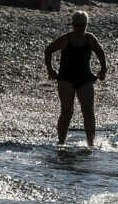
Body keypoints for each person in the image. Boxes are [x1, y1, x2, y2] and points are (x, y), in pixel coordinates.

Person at [45, 12, 109, 148]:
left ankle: (91, 144)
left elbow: (100, 52)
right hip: (66, 79)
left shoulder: (90, 39)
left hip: (85, 79)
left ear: (87, 25)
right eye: (78, 25)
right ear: (73, 25)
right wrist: (50, 70)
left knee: (88, 111)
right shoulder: (66, 39)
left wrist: (103, 69)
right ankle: (61, 142)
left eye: (83, 25)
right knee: (67, 112)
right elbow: (48, 50)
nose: (81, 28)